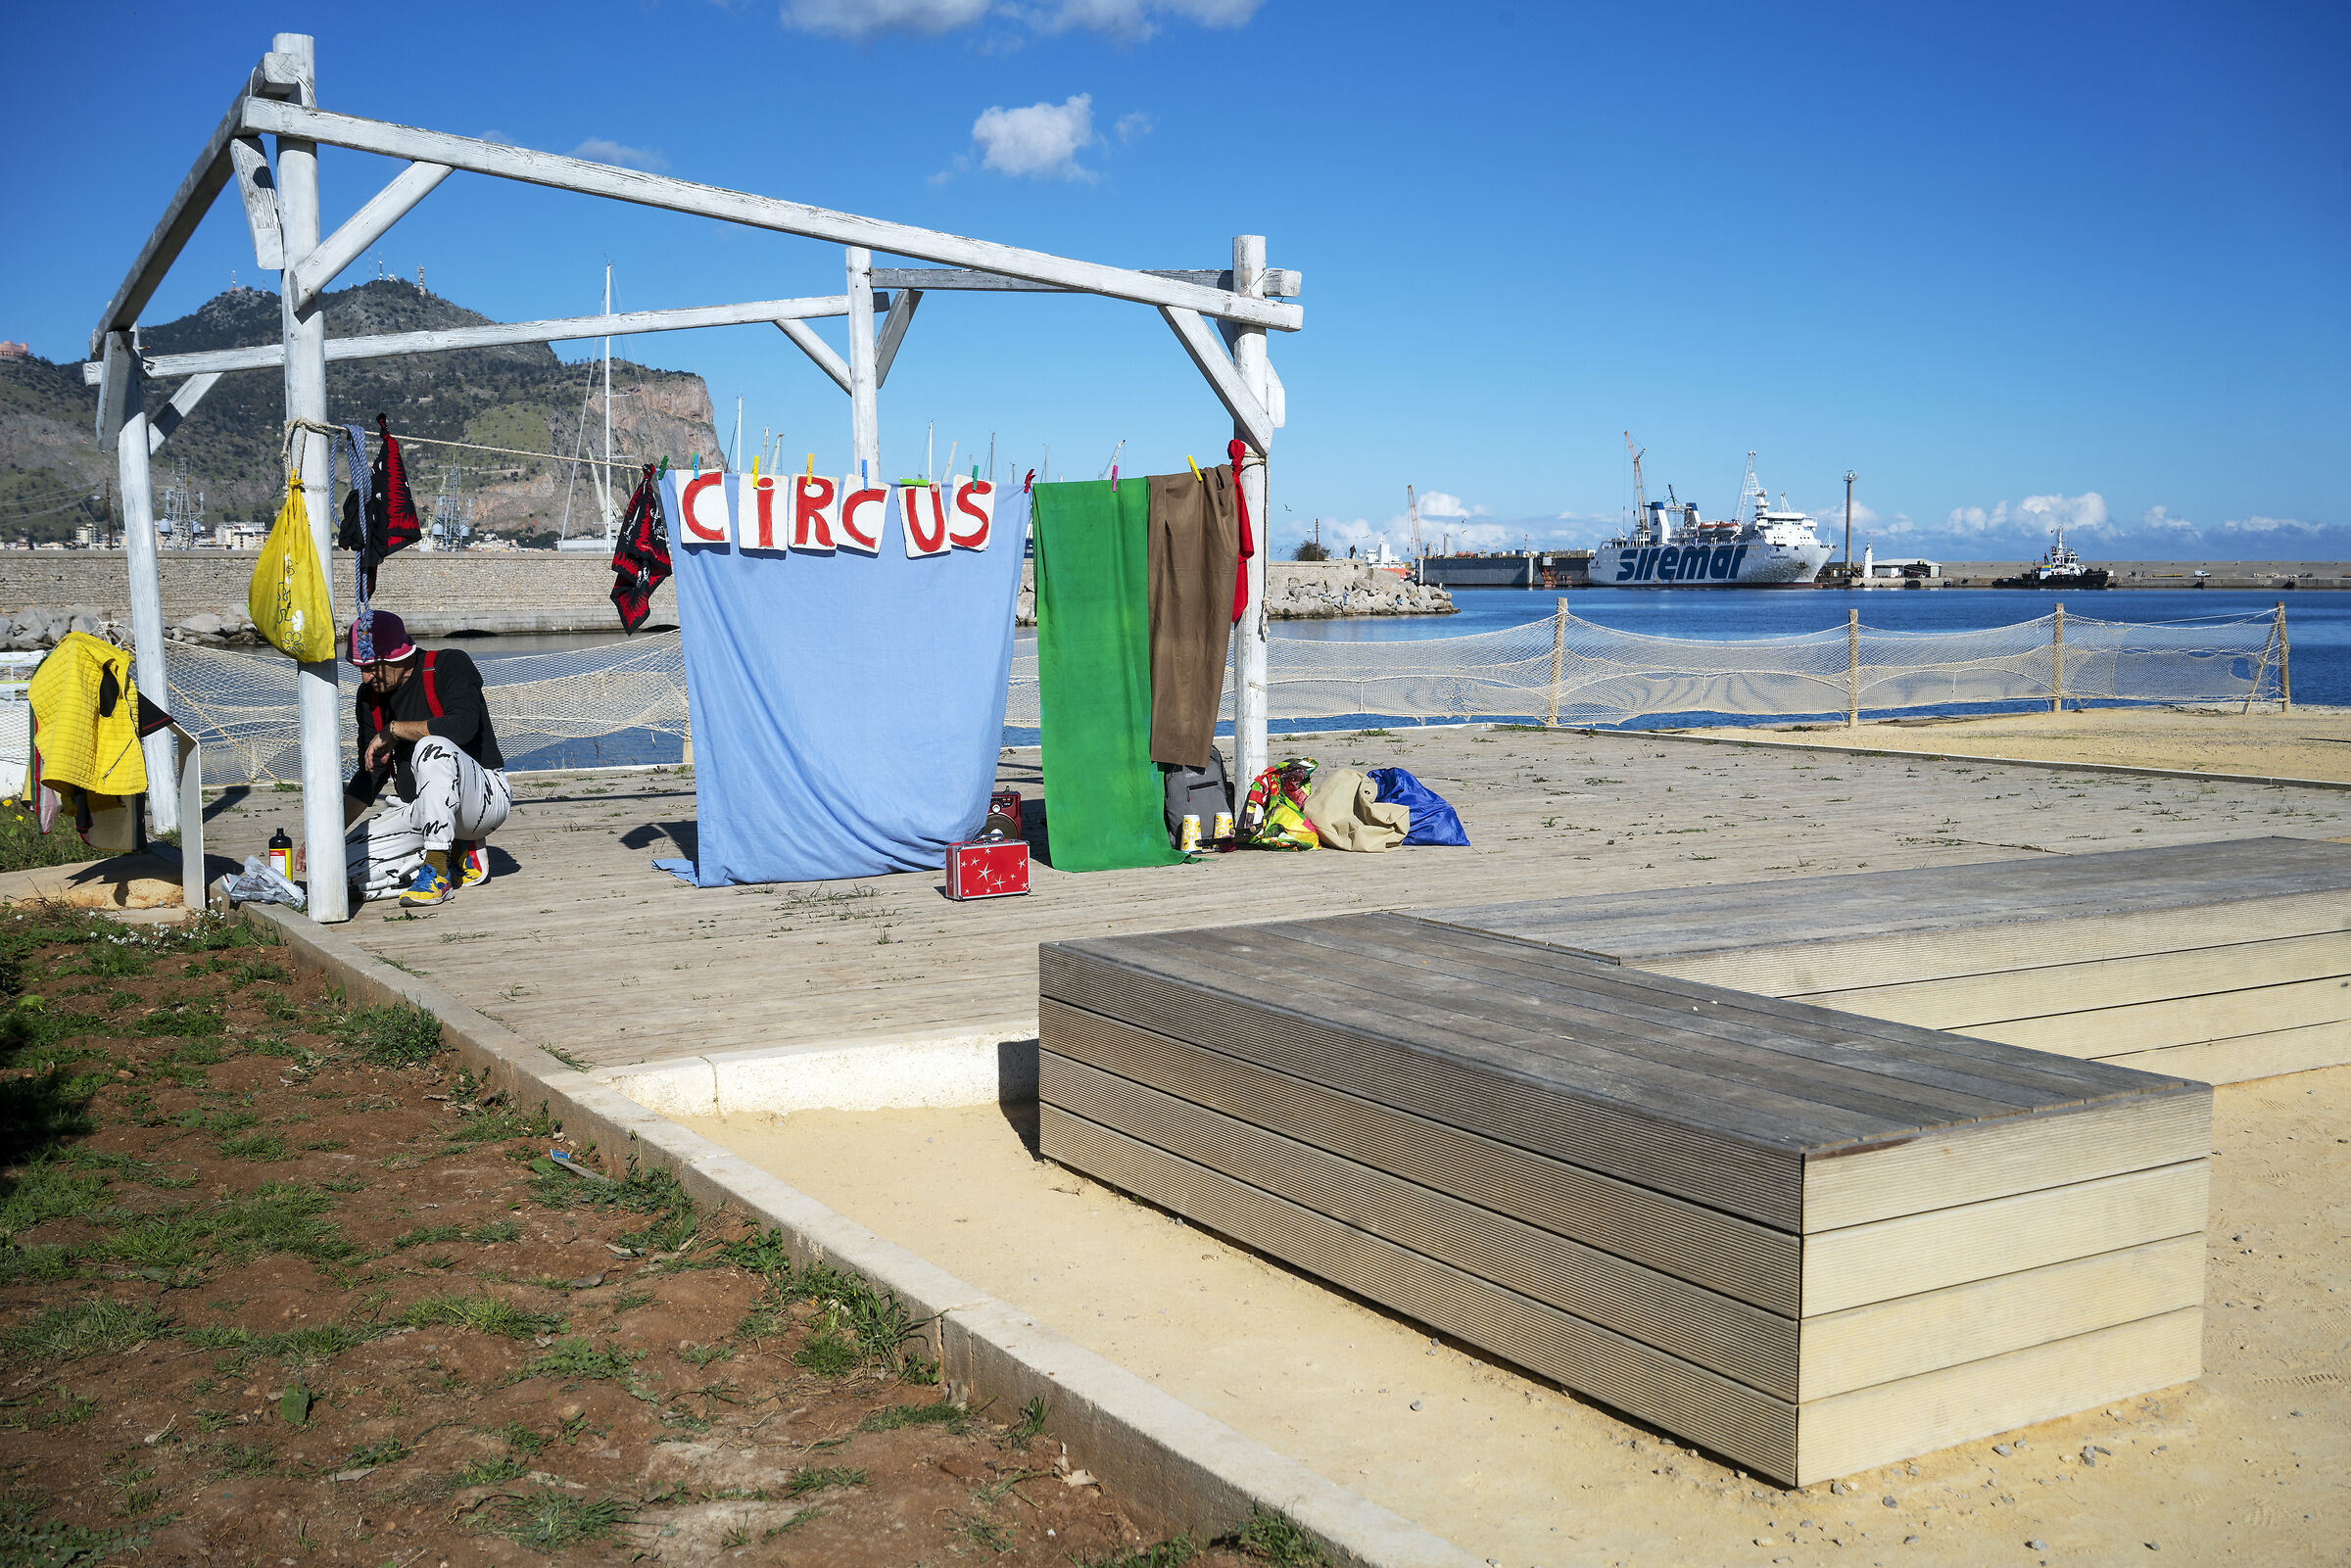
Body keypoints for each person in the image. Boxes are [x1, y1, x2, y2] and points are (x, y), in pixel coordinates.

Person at [340, 609, 510, 906]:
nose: (365, 677)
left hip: (483, 799)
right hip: (421, 808)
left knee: (432, 747)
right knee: (337, 864)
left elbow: (463, 726)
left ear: (398, 657)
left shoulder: (448, 664)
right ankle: (457, 855)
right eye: (360, 668)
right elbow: (369, 778)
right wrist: (323, 836)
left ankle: (437, 871)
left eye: (371, 667)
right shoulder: (369, 698)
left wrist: (393, 731)